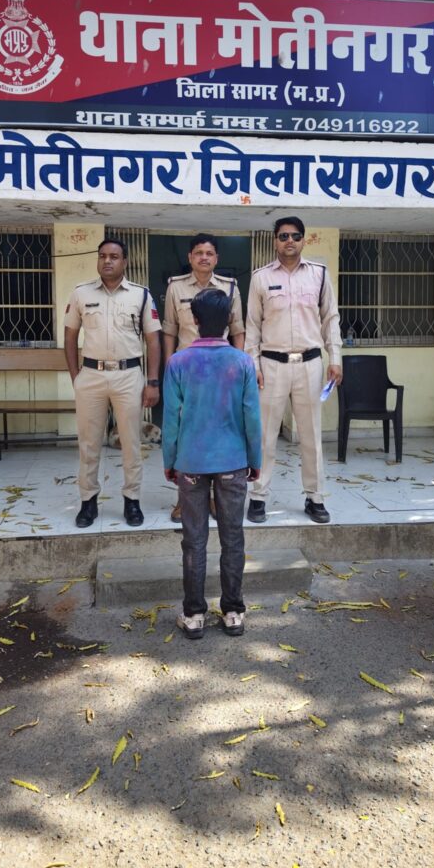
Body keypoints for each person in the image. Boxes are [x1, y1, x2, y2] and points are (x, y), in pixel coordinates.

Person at [162, 289, 261, 639]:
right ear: (229, 321)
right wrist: (255, 460)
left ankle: (193, 615)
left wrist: (170, 460)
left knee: (194, 539)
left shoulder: (178, 362)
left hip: (190, 462)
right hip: (233, 461)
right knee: (233, 536)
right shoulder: (242, 362)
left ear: (194, 320)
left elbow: (171, 419)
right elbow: (252, 417)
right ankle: (233, 611)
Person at [245, 216, 342, 525]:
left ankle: (315, 497)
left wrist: (335, 357)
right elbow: (252, 326)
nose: (290, 241)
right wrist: (253, 364)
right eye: (284, 236)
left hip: (309, 364)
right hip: (271, 365)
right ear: (275, 240)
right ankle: (258, 496)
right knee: (265, 435)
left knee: (311, 435)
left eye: (296, 236)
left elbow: (330, 318)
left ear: (304, 240)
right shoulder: (260, 277)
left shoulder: (319, 274)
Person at [64, 237, 161, 528]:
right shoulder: (81, 293)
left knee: (131, 442)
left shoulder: (141, 295)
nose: (107, 261)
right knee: (88, 442)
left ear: (125, 262)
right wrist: (76, 377)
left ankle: (132, 500)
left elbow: (153, 340)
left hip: (128, 375)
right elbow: (70, 337)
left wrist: (152, 381)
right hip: (91, 375)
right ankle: (88, 502)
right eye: (103, 255)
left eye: (114, 256)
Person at [162, 232, 245, 523]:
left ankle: (213, 497)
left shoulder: (230, 288)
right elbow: (169, 331)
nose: (204, 258)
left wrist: (239, 367)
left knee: (218, 431)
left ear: (216, 258)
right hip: (187, 373)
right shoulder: (175, 287)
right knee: (186, 434)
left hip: (222, 373)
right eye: (198, 253)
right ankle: (183, 499)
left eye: (209, 253)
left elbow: (237, 330)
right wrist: (168, 368)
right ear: (190, 257)